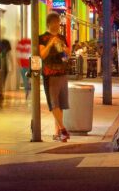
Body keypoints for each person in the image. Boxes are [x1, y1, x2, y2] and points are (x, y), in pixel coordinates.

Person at [39, 12, 71, 142]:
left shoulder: (62, 38)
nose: (57, 25)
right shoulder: (42, 38)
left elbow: (65, 58)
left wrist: (65, 50)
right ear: (49, 24)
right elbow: (42, 55)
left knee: (61, 104)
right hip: (49, 74)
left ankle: (58, 133)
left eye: (58, 22)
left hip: (62, 73)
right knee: (54, 104)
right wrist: (51, 43)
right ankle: (63, 130)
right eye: (55, 22)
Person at [0, 32, 12, 107]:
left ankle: (1, 93)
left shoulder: (5, 42)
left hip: (3, 64)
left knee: (2, 81)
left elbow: (9, 54)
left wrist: (11, 64)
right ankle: (0, 93)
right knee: (0, 81)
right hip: (0, 64)